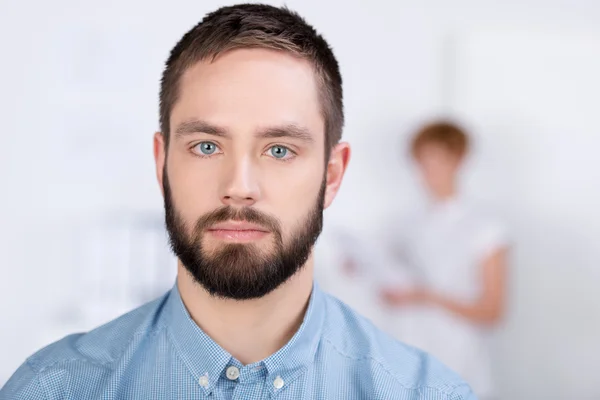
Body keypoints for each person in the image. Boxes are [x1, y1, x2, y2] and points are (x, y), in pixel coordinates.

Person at [0, 6, 476, 399]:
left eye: (279, 150)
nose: (240, 186)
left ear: (332, 176)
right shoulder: (50, 390)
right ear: (162, 163)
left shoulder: (428, 393)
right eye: (207, 146)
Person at [379, 121, 509, 399]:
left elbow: (492, 311)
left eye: (437, 159)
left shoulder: (486, 227)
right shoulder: (406, 225)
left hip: (460, 364)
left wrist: (426, 296)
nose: (428, 171)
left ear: (459, 160)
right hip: (408, 361)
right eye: (422, 161)